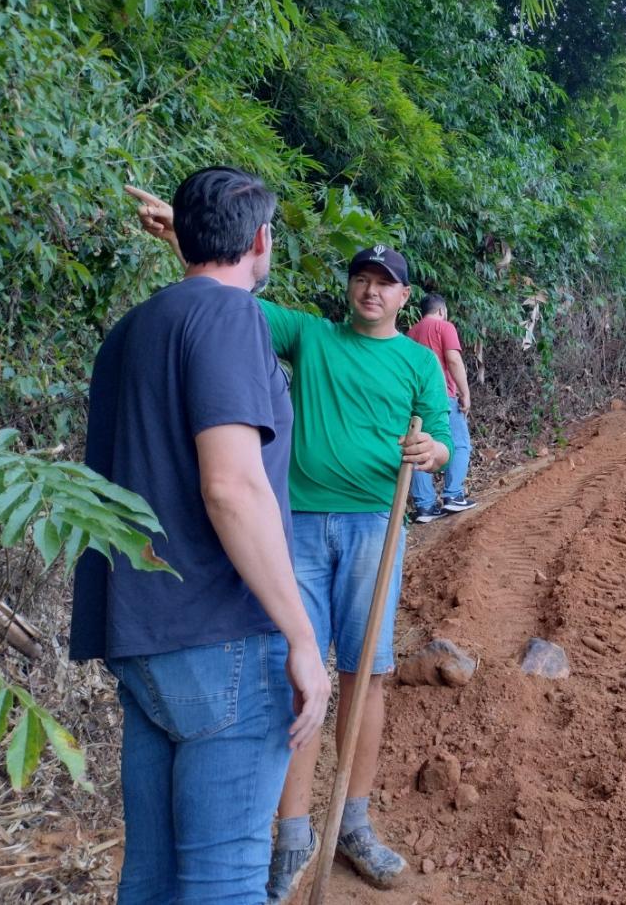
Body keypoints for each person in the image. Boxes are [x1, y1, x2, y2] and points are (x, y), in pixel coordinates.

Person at [126, 188, 451, 902]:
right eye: (362, 278)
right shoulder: (310, 336)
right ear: (350, 287)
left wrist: (432, 450)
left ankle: (354, 824)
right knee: (288, 674)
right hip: (294, 524)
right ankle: (293, 830)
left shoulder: (418, 362)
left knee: (366, 673)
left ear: (403, 296)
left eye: (385, 281)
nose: (371, 289)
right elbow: (224, 294)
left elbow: (448, 440)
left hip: (376, 524)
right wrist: (180, 240)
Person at [70, 166, 331, 903]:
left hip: (144, 637)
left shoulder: (134, 329)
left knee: (152, 880)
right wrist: (303, 638)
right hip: (224, 639)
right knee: (223, 884)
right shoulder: (229, 320)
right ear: (261, 240)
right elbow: (231, 486)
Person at [407, 293, 475, 522]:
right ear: (442, 311)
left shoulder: (410, 334)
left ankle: (425, 506)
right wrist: (465, 393)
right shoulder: (444, 327)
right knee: (460, 443)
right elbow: (453, 360)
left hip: (415, 401)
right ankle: (453, 495)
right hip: (443, 396)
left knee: (418, 449)